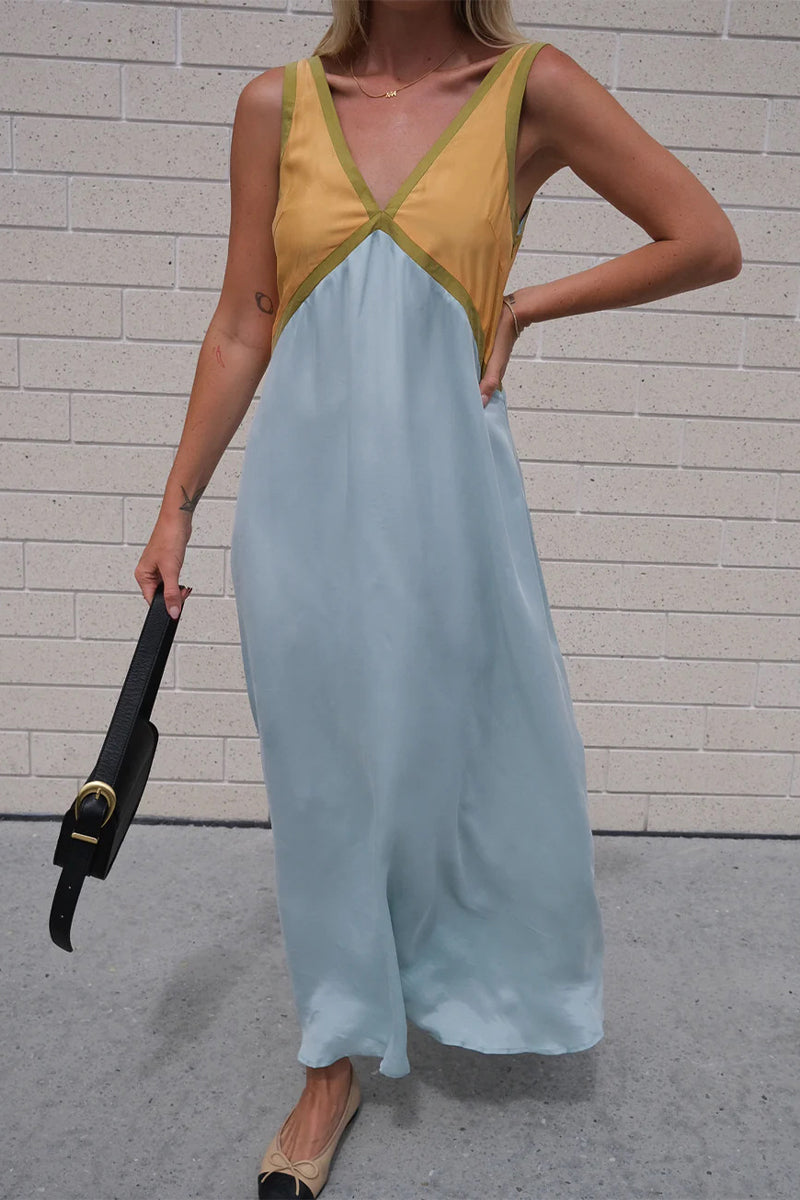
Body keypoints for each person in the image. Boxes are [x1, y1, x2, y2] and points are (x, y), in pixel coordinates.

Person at [135, 1, 742, 1196]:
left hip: (451, 506)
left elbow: (703, 239)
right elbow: (244, 319)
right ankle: (331, 1060)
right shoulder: (275, 106)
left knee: (471, 753)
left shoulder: (528, 89)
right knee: (318, 779)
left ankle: (475, 982)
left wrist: (524, 304)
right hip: (299, 512)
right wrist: (176, 505)